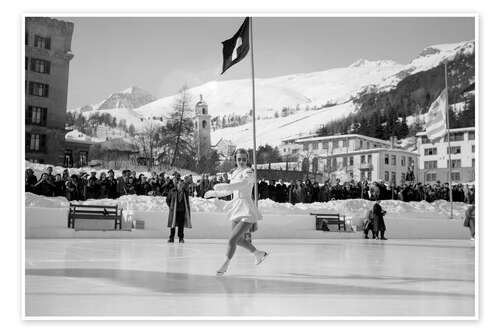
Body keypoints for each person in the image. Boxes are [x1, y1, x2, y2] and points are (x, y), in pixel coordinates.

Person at [204, 148, 268, 276]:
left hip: (247, 208)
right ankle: (258, 253)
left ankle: (225, 264)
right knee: (238, 240)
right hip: (236, 208)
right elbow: (230, 191)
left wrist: (226, 186)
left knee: (232, 239)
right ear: (235, 160)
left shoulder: (249, 172)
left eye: (244, 159)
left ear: (247, 160)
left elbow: (243, 184)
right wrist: (215, 193)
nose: (242, 161)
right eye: (239, 159)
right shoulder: (234, 173)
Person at [167, 172, 192, 243]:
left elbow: (188, 184)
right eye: (179, 184)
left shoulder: (185, 192)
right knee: (173, 225)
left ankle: (181, 238)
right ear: (177, 185)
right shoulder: (172, 191)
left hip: (182, 211)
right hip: (174, 211)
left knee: (181, 226)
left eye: (182, 184)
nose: (180, 185)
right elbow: (167, 200)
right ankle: (171, 238)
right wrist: (171, 206)